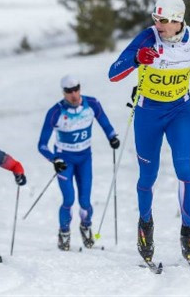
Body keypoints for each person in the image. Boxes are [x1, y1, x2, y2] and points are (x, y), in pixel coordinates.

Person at [107, 0, 190, 264]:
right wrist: (137, 58)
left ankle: (188, 232)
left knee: (185, 170)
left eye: (163, 19)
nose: (158, 24)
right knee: (147, 176)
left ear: (178, 20)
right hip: (148, 113)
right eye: (155, 18)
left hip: (179, 112)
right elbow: (113, 73)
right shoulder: (147, 38)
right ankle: (145, 226)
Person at [37, 75, 120, 251]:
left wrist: (112, 137)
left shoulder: (92, 104)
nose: (74, 95)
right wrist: (54, 159)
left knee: (85, 201)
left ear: (80, 88)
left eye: (76, 90)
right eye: (69, 92)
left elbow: (105, 123)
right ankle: (64, 232)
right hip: (65, 161)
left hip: (84, 159)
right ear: (63, 93)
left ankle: (86, 226)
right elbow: (42, 145)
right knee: (68, 199)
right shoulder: (55, 112)